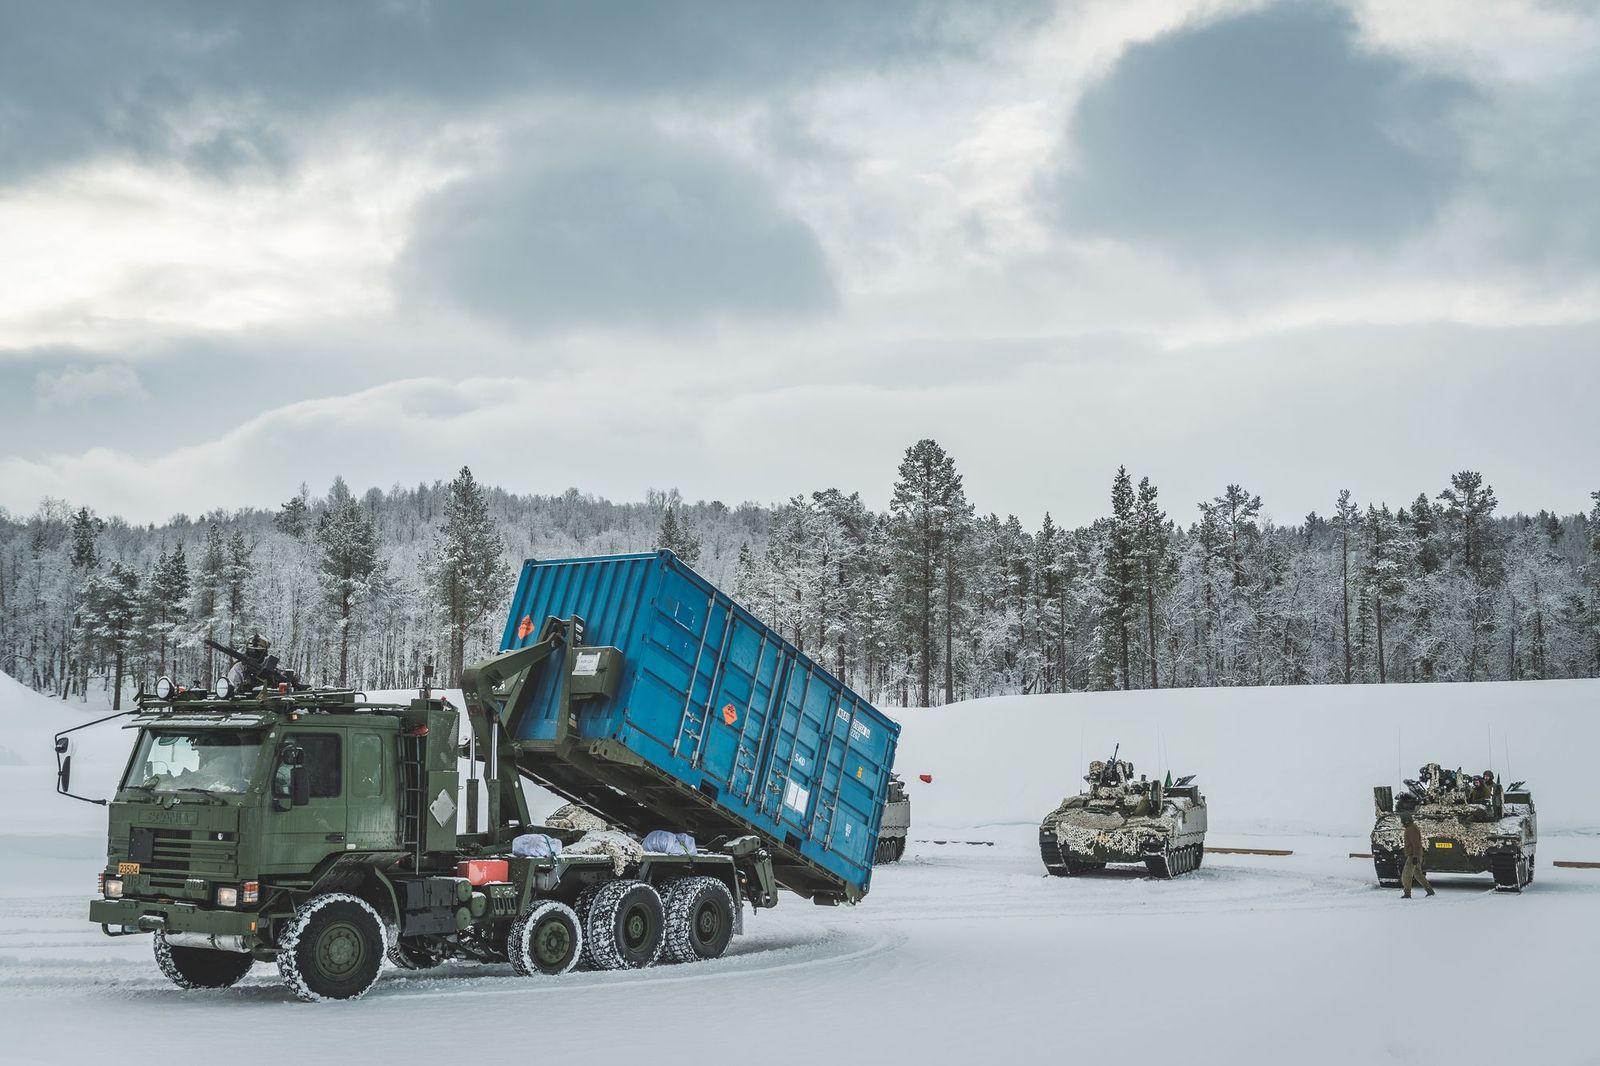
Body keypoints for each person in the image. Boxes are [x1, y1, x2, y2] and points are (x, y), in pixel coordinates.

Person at [1399, 811, 1435, 899]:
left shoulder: (1411, 829)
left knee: (1406, 875)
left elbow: (1416, 843)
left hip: (1413, 855)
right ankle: (1430, 891)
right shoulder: (1411, 827)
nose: (1401, 821)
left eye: (1402, 819)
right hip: (1415, 854)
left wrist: (1415, 856)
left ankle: (1407, 893)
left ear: (1405, 820)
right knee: (1418, 874)